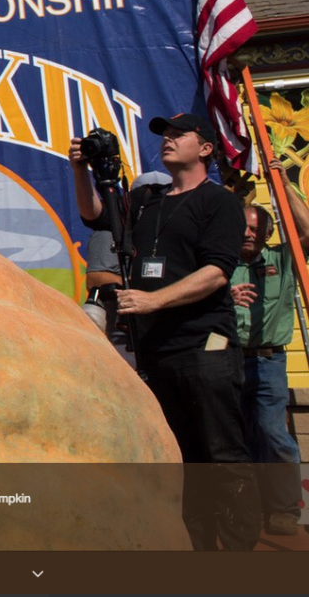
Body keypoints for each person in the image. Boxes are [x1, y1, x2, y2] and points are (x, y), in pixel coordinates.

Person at [70, 112, 260, 551]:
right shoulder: (149, 198)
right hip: (156, 350)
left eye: (179, 135)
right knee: (184, 462)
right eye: (165, 135)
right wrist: (79, 169)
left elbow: (216, 273)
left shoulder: (220, 203)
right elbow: (95, 215)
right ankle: (198, 549)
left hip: (205, 344)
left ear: (207, 148)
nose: (168, 141)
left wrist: (154, 299)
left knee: (222, 456)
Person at [230, 158, 309, 536]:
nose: (249, 234)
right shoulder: (219, 265)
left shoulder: (282, 259)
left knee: (272, 432)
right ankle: (245, 509)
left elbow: (307, 231)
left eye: (256, 229)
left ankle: (283, 510)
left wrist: (282, 184)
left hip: (268, 362)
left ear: (267, 234)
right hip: (226, 359)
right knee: (236, 436)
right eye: (243, 227)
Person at [81, 171, 171, 375]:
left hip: (168, 336)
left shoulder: (171, 229)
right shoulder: (111, 231)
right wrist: (146, 285)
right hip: (125, 340)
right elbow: (96, 279)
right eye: (148, 196)